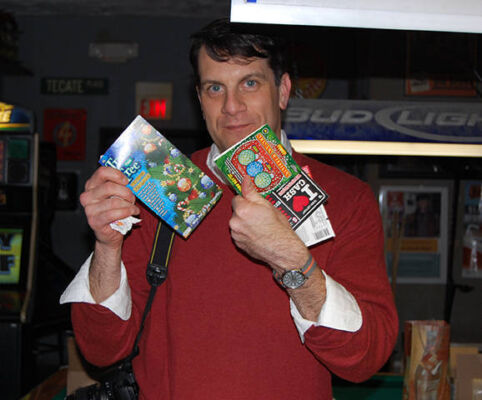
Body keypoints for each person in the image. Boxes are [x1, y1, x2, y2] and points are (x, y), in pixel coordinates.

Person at [61, 18, 398, 399]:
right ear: (199, 98)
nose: (232, 107)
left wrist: (291, 261)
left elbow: (364, 357)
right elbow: (102, 349)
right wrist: (107, 246)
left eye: (250, 83)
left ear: (283, 90)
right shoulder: (163, 185)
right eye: (215, 88)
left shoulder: (345, 197)